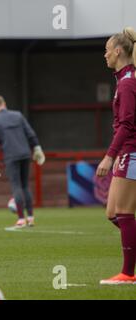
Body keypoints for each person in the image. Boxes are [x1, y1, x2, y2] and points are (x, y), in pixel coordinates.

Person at [97, 27, 136, 285]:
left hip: (130, 151)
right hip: (126, 151)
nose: (105, 55)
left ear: (118, 51)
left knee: (123, 211)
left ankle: (127, 273)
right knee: (113, 213)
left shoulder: (128, 82)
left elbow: (127, 124)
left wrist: (109, 156)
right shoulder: (124, 79)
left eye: (107, 50)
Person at [0, 95, 45, 228]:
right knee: (25, 185)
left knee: (16, 186)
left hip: (11, 156)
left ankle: (21, 219)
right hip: (25, 154)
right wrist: (37, 148)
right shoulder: (18, 115)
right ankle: (30, 218)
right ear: (4, 103)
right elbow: (30, 133)